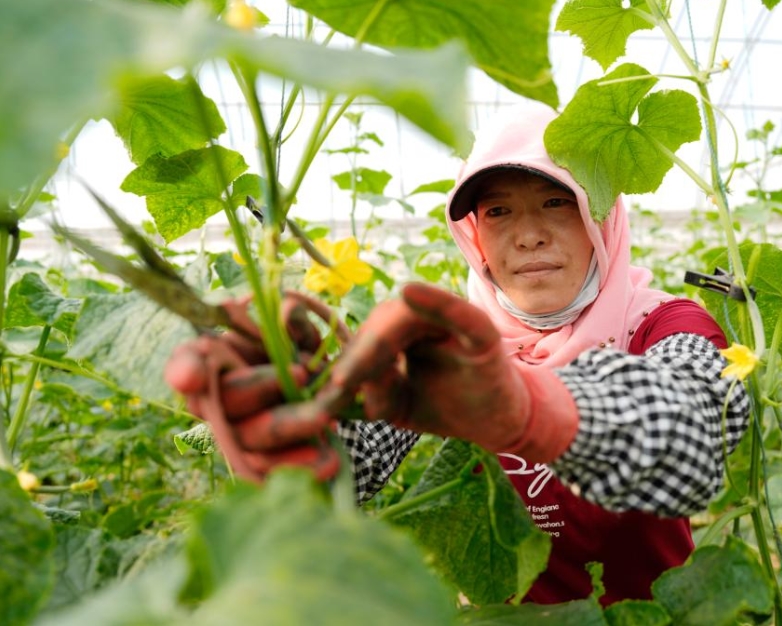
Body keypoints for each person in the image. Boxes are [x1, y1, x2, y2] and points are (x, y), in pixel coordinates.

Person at [164, 102, 751, 606]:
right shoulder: (456, 342)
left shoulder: (664, 322)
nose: (528, 235)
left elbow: (696, 422)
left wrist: (528, 408)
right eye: (498, 211)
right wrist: (297, 428)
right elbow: (355, 464)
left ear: (600, 217)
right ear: (476, 238)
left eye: (557, 202)